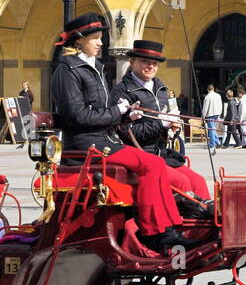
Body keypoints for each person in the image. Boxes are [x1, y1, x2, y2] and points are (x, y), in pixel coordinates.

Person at [51, 16, 200, 253]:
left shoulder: (95, 68)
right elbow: (77, 116)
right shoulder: (67, 70)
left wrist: (124, 116)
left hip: (103, 140)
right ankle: (155, 232)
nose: (101, 44)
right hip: (85, 144)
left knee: (156, 165)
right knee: (151, 165)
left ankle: (170, 228)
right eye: (96, 39)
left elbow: (100, 111)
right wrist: (117, 111)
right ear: (80, 41)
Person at [111, 38, 213, 206]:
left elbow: (168, 125)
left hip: (162, 154)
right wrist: (161, 124)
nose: (150, 66)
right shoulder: (122, 91)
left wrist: (173, 129)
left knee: (198, 181)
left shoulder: (161, 89)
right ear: (132, 61)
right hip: (140, 156)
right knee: (181, 183)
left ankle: (205, 223)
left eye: (155, 63)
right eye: (145, 61)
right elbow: (125, 132)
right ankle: (180, 226)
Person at [201, 83, 223, 150]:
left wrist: (203, 116)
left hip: (210, 114)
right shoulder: (218, 95)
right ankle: (218, 142)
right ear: (213, 89)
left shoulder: (207, 97)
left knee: (211, 130)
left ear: (208, 90)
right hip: (217, 113)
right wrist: (220, 113)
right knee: (213, 129)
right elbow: (220, 105)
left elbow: (205, 108)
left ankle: (212, 144)